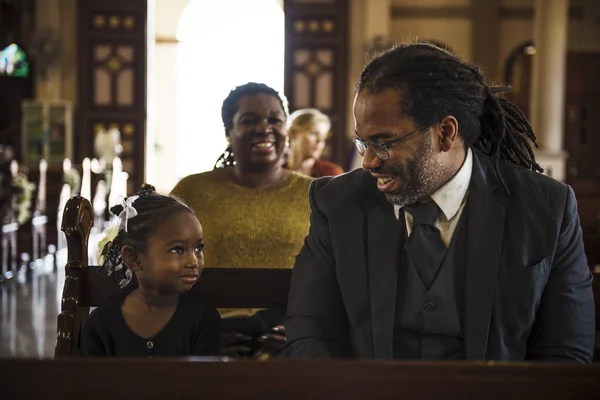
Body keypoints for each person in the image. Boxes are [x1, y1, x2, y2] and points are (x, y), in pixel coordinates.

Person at [284, 42, 595, 362]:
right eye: (363, 142)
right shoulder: (337, 203)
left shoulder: (546, 208)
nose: (368, 162)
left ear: (445, 133)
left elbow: (565, 353)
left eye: (383, 142)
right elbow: (309, 333)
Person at [170, 82, 312, 354]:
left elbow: (332, 279)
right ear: (228, 131)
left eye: (274, 120)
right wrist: (201, 340)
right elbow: (163, 273)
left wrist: (303, 334)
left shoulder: (315, 194)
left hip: (293, 348)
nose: (264, 128)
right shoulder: (191, 192)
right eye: (249, 120)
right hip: (207, 343)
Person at [81, 185, 222, 357]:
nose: (193, 261)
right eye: (178, 250)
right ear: (133, 258)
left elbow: (205, 381)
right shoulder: (101, 324)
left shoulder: (203, 320)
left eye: (198, 248)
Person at [286, 108, 344, 178]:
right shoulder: (276, 172)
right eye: (314, 133)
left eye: (323, 137)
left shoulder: (331, 173)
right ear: (293, 133)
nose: (320, 141)